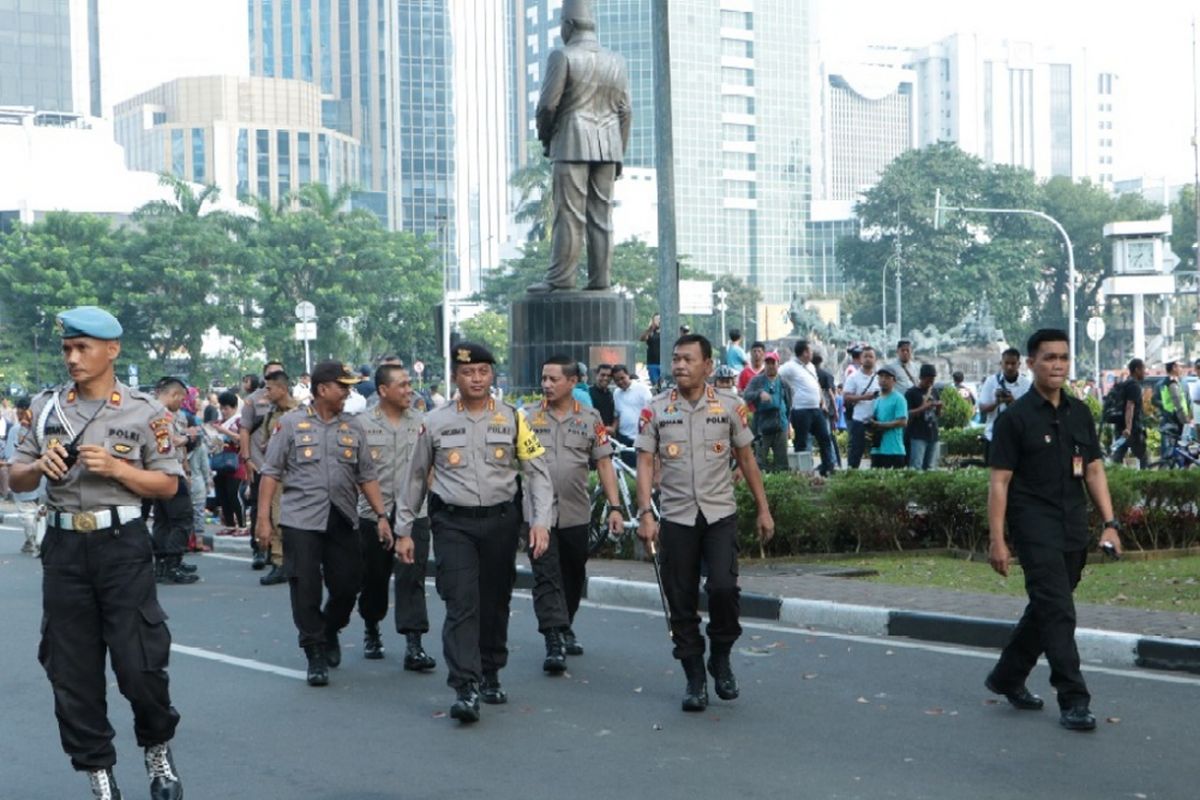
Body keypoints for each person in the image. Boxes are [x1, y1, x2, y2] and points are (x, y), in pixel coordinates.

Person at [9, 306, 186, 800]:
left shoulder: (145, 411)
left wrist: (118, 469)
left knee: (140, 663)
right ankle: (100, 777)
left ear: (112, 350)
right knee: (71, 670)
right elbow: (14, 476)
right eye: (67, 348)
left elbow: (168, 484)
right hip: (64, 548)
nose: (72, 357)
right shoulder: (46, 408)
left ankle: (156, 747)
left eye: (82, 347)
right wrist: (38, 468)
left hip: (122, 545)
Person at [394, 342, 554, 723]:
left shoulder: (513, 418)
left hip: (501, 521)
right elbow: (415, 477)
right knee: (461, 601)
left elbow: (537, 473)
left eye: (483, 371)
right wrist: (403, 529)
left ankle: (491, 671)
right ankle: (465, 686)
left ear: (491, 375)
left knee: (495, 600)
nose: (476, 378)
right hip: (453, 523)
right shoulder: (434, 422)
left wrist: (541, 521)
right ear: (456, 377)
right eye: (468, 372)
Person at [985, 328, 1122, 732]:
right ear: (1031, 363)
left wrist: (1110, 524)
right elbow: (999, 482)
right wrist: (998, 539)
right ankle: (1074, 698)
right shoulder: (1016, 420)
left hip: (1072, 525)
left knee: (1047, 608)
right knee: (1059, 612)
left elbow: (1093, 469)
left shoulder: (1079, 413)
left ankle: (1008, 676)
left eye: (1063, 357)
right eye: (1048, 358)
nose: (1057, 365)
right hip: (1033, 527)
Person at [635, 333, 774, 712]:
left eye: (688, 359)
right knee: (680, 601)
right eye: (676, 359)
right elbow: (645, 462)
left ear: (708, 366)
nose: (679, 365)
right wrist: (646, 514)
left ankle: (721, 655)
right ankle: (695, 678)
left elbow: (747, 459)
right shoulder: (656, 408)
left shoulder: (730, 406)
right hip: (677, 518)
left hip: (719, 515)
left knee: (724, 589)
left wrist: (763, 508)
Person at [256, 361, 400, 687]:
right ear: (322, 390)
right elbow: (271, 472)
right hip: (301, 520)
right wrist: (263, 520)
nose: (348, 393)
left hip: (343, 517)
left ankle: (330, 628)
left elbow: (366, 475)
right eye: (342, 386)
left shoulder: (353, 426)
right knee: (304, 587)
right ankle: (314, 651)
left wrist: (381, 516)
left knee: (349, 584)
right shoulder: (290, 424)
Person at [528, 0, 631, 292]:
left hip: (572, 142)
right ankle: (601, 281)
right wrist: (618, 152)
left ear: (568, 25)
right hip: (609, 146)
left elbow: (547, 106)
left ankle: (561, 279)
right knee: (601, 217)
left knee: (570, 214)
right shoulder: (617, 61)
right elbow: (626, 112)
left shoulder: (562, 56)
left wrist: (547, 137)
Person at [528, 356, 623, 670]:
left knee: (572, 574)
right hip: (537, 517)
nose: (546, 385)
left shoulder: (591, 418)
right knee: (546, 575)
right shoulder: (527, 419)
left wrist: (615, 507)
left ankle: (565, 622)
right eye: (544, 378)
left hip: (575, 513)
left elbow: (605, 463)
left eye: (553, 379)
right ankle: (553, 639)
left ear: (572, 382)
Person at [349, 363, 437, 670]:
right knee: (373, 579)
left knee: (411, 577)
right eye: (401, 385)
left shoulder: (423, 422)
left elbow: (432, 468)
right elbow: (354, 473)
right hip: (374, 515)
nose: (408, 389)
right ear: (383, 391)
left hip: (414, 514)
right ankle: (371, 626)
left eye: (409, 383)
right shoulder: (361, 424)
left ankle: (414, 644)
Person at [149, 377, 199, 585]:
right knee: (183, 518)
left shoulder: (149, 410)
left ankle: (161, 563)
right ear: (174, 395)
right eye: (181, 399)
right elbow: (169, 443)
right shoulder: (160, 414)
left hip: (156, 473)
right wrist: (190, 438)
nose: (182, 403)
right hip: (168, 471)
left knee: (163, 520)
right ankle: (172, 563)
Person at [239, 359, 285, 570]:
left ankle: (281, 553)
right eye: (270, 374)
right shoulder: (253, 401)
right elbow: (244, 430)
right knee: (260, 507)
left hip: (286, 470)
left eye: (278, 374)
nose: (273, 378)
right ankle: (260, 549)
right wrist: (247, 459)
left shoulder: (293, 404)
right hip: (260, 464)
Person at [257, 370, 297, 585]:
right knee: (275, 517)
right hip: (276, 476)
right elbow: (264, 442)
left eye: (270, 387)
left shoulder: (301, 411)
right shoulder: (271, 414)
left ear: (282, 389)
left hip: (299, 475)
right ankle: (279, 562)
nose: (267, 391)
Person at [778, 339, 835, 476]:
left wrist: (823, 402)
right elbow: (777, 374)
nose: (812, 352)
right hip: (801, 410)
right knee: (801, 442)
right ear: (804, 352)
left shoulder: (810, 366)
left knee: (825, 438)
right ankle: (802, 471)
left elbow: (816, 384)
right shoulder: (790, 367)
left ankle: (827, 468)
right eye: (810, 350)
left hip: (816, 409)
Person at [3, 396, 45, 554]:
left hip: (22, 477)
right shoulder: (45, 429)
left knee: (27, 512)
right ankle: (34, 541)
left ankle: (35, 541)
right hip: (44, 479)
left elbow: (10, 456)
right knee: (40, 512)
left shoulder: (16, 430)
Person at [979, 348, 1032, 465]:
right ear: (1001, 363)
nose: (1009, 367)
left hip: (1018, 438)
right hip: (993, 436)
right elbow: (982, 408)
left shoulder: (1026, 384)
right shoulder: (991, 381)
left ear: (1019, 364)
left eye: (1013, 363)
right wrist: (997, 402)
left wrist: (1012, 402)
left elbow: (1029, 413)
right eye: (1006, 363)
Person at [742, 351, 792, 472]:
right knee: (759, 462)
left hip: (781, 425)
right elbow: (746, 395)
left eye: (773, 362)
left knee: (782, 463)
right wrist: (759, 393)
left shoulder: (784, 383)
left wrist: (789, 425)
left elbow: (789, 405)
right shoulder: (757, 381)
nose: (770, 365)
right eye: (768, 362)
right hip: (761, 427)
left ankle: (781, 485)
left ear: (778, 364)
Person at [212, 391, 247, 532]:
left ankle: (243, 525)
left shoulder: (239, 421)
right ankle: (230, 525)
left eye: (226, 408)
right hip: (221, 464)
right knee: (223, 496)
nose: (223, 411)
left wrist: (223, 431)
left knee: (234, 495)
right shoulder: (221, 423)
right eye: (221, 408)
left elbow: (240, 439)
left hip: (236, 464)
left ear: (234, 408)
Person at [842, 346, 879, 469]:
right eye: (865, 356)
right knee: (856, 451)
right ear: (860, 359)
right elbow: (846, 397)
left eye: (871, 356)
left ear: (875, 359)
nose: (868, 359)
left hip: (876, 421)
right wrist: (864, 398)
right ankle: (851, 475)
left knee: (876, 452)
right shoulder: (853, 377)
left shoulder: (879, 378)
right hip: (859, 420)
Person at [867, 366, 908, 469]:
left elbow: (903, 422)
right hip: (877, 449)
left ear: (894, 381)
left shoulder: (899, 399)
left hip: (894, 450)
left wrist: (880, 425)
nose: (883, 380)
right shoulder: (877, 399)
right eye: (881, 377)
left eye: (887, 377)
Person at [612, 363, 652, 464]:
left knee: (641, 468)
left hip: (639, 437)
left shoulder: (642, 389)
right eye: (617, 380)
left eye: (622, 378)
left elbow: (651, 412)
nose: (620, 382)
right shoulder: (616, 393)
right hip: (623, 437)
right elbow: (617, 414)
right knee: (627, 469)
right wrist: (613, 428)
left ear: (628, 375)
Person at [1111, 359, 1147, 468]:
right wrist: (1128, 428)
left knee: (1119, 456)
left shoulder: (1125, 383)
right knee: (1143, 458)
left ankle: (1110, 473)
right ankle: (1146, 480)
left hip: (1120, 426)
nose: (1145, 372)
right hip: (1132, 430)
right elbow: (1129, 406)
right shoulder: (1134, 386)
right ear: (1137, 370)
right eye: (1143, 369)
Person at [905, 364, 943, 471]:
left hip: (933, 435)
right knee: (916, 467)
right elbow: (907, 414)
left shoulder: (934, 391)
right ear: (921, 378)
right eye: (928, 380)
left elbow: (938, 415)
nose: (930, 383)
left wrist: (939, 408)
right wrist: (923, 407)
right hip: (918, 435)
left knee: (931, 468)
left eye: (932, 380)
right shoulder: (911, 393)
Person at [1156, 361, 1190, 457]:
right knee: (1169, 455)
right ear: (1174, 367)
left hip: (1176, 421)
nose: (1181, 369)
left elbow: (1186, 401)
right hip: (1172, 422)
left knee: (1179, 454)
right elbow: (1177, 404)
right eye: (1180, 367)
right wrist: (1185, 420)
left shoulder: (1179, 382)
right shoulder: (1168, 383)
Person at [589, 363, 617, 435]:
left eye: (609, 376)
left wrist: (613, 428)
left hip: (609, 437)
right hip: (593, 436)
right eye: (603, 375)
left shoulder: (611, 395)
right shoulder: (588, 393)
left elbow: (615, 415)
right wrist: (603, 429)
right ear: (596, 375)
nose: (605, 378)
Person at [640, 313, 662, 385]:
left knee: (665, 385)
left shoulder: (666, 332)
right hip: (653, 363)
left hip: (664, 363)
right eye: (656, 319)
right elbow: (642, 338)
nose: (658, 321)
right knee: (656, 385)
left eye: (659, 319)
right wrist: (651, 328)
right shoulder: (651, 332)